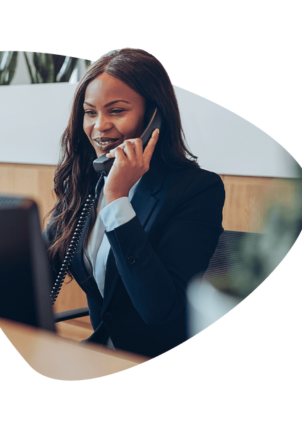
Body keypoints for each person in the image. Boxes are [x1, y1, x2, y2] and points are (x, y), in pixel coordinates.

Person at [42, 47, 225, 359]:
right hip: (100, 354)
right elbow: (41, 271)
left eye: (116, 111)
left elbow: (160, 309)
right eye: (90, 112)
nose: (99, 126)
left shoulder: (196, 190)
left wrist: (116, 200)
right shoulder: (85, 183)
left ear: (154, 116)